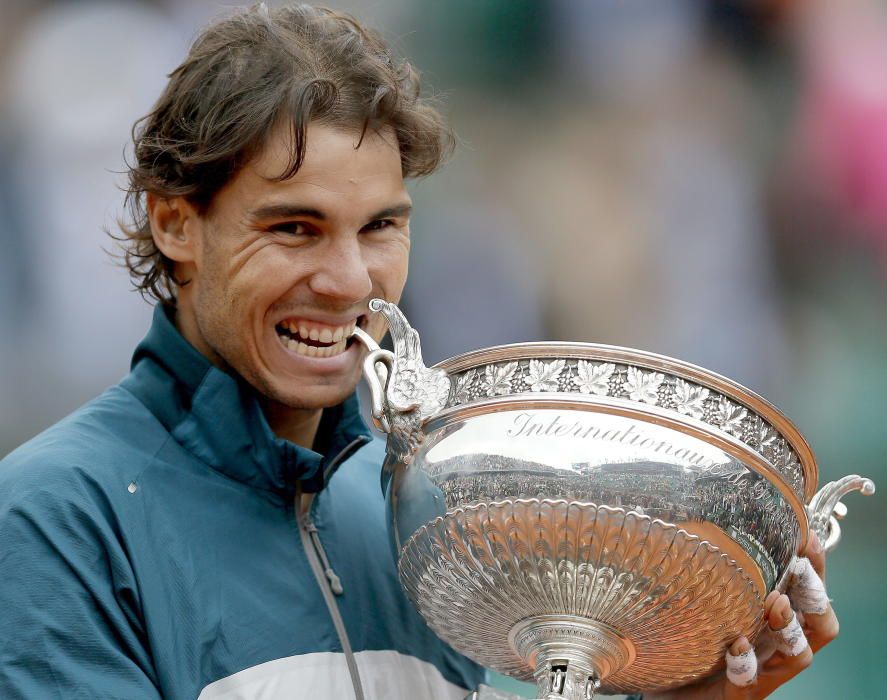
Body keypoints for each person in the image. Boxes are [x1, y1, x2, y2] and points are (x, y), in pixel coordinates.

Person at [0, 4, 838, 699]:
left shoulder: (421, 513)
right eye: (294, 228)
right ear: (175, 223)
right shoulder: (54, 520)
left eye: (380, 228)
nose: (346, 280)